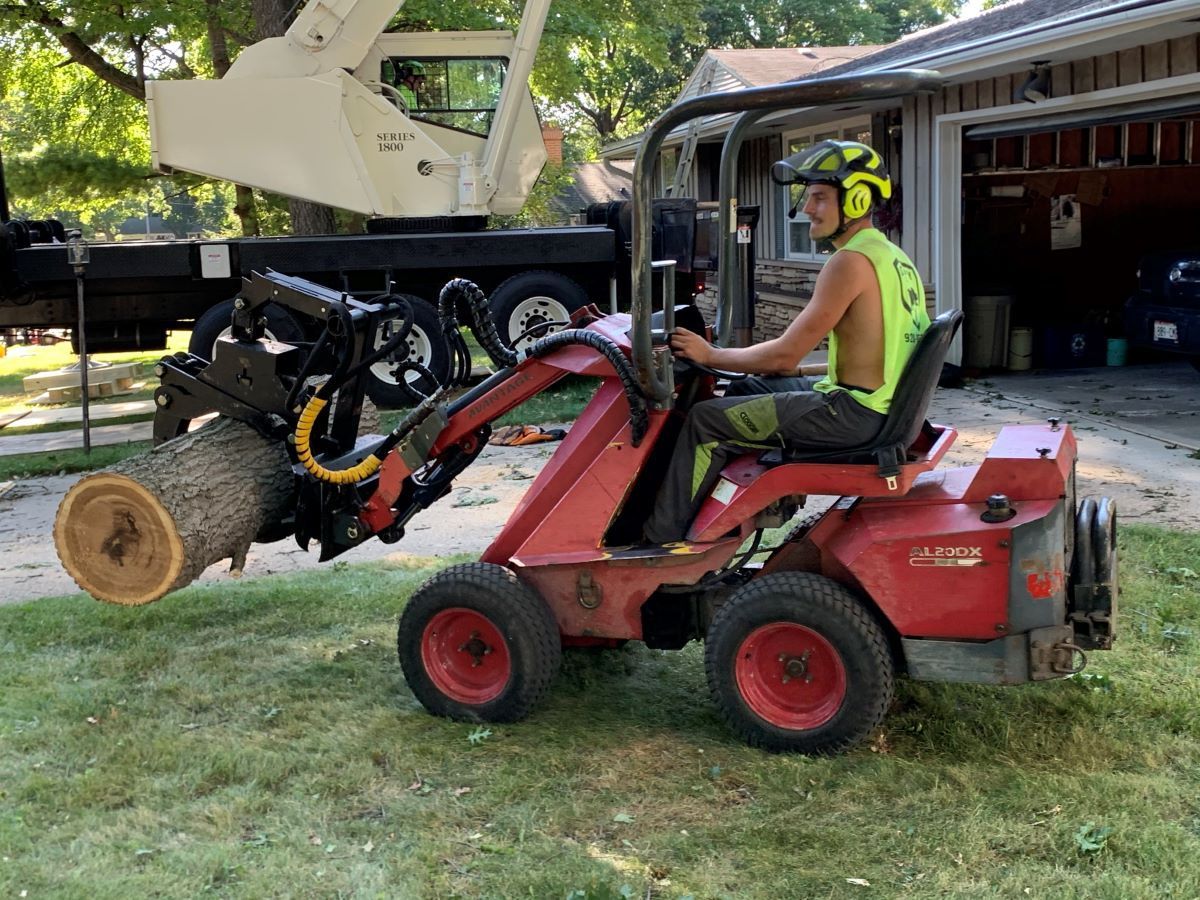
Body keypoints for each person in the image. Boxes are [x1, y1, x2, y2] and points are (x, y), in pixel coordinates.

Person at [643, 139, 930, 544]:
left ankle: (661, 546)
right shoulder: (892, 257)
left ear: (858, 197)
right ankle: (735, 512)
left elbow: (783, 355)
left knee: (704, 423)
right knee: (747, 388)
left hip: (853, 414)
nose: (807, 208)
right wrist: (775, 367)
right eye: (807, 196)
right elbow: (875, 351)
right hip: (879, 407)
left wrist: (711, 354)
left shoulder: (849, 262)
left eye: (818, 197)